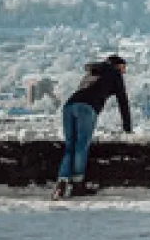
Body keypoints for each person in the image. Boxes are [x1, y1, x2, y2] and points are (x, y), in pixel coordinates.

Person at [53, 55, 132, 199]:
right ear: (117, 65)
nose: (124, 72)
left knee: (70, 146)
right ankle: (78, 185)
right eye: (123, 68)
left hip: (69, 106)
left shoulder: (93, 72)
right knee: (81, 146)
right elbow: (123, 100)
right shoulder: (114, 73)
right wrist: (127, 127)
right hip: (87, 108)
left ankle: (62, 182)